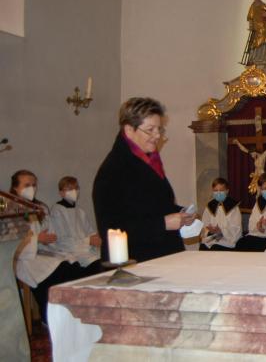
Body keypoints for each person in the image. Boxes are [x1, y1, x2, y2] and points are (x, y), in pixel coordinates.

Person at [93, 97, 195, 262]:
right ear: (128, 130)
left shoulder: (149, 162)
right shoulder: (113, 170)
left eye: (159, 129)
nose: (157, 136)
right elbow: (110, 229)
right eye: (150, 129)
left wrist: (180, 213)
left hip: (161, 257)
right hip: (135, 263)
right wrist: (163, 224)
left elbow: (151, 206)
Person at [12, 170, 80, 325]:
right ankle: (47, 315)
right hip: (22, 258)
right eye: (27, 185)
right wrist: (37, 239)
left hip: (40, 252)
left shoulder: (39, 207)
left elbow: (48, 229)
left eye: (34, 185)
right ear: (15, 188)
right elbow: (12, 240)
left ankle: (67, 314)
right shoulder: (9, 209)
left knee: (72, 264)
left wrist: (47, 237)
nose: (32, 188)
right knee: (57, 272)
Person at [47, 176, 102, 275]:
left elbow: (90, 232)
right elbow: (62, 241)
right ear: (61, 193)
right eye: (70, 188)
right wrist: (88, 241)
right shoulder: (57, 211)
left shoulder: (80, 211)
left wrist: (96, 238)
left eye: (76, 188)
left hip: (88, 250)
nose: (74, 191)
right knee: (98, 265)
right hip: (73, 252)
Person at [236, 173, 266, 252]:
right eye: (262, 189)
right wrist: (258, 226)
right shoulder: (260, 200)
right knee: (241, 243)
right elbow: (251, 223)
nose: (264, 191)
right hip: (259, 235)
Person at [200, 178, 242, 251]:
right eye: (215, 190)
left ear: (227, 191)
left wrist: (221, 231)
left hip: (228, 239)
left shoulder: (233, 207)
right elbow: (204, 224)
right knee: (203, 247)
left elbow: (236, 228)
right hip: (213, 237)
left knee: (216, 248)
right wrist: (210, 231)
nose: (218, 193)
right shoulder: (210, 206)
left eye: (221, 190)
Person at [244, 0, 266, 67]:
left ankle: (262, 59)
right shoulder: (253, 6)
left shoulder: (263, 5)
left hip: (264, 28)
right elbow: (250, 17)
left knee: (263, 42)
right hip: (255, 29)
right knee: (254, 43)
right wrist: (251, 25)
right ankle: (253, 59)